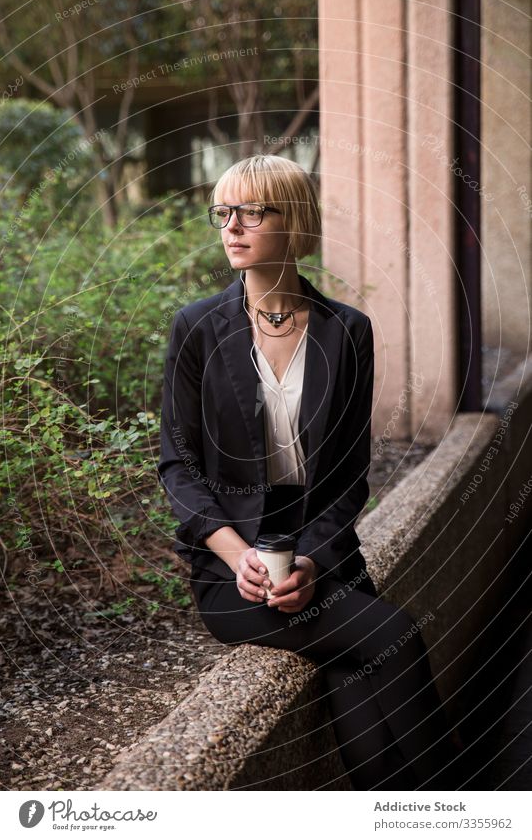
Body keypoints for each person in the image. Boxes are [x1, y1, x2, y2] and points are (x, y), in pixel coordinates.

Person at [157, 154, 457, 790]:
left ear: (292, 222)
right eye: (223, 213)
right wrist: (240, 557)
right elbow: (177, 466)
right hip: (231, 579)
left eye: (251, 212)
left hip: (326, 562)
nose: (231, 227)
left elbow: (350, 475)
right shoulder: (196, 329)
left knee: (356, 671)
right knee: (395, 639)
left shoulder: (347, 331)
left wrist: (312, 562)